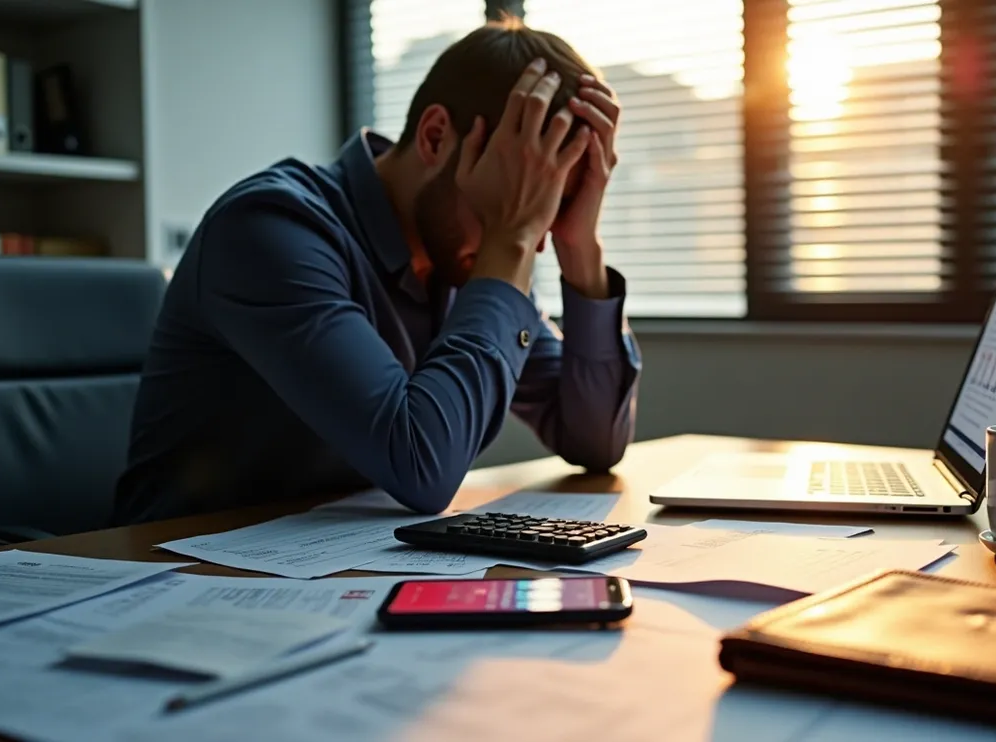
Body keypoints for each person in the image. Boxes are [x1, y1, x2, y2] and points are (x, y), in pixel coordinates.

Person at [111, 19, 641, 525]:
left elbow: (594, 440)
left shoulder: (469, 253)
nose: (535, 237)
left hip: (338, 572)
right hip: (178, 571)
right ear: (435, 137)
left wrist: (580, 247)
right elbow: (422, 466)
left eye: (543, 209)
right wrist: (510, 238)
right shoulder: (270, 230)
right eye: (517, 200)